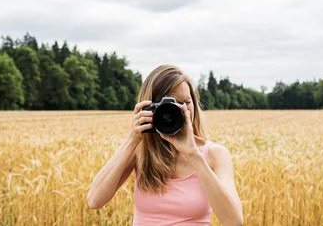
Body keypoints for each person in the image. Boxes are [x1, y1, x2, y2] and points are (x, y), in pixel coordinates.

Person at [87, 64, 243, 225]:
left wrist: (194, 155)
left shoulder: (215, 155)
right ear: (150, 108)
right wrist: (131, 139)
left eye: (185, 103)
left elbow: (234, 221)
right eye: (168, 107)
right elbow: (94, 201)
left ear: (194, 105)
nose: (179, 111)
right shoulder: (140, 151)